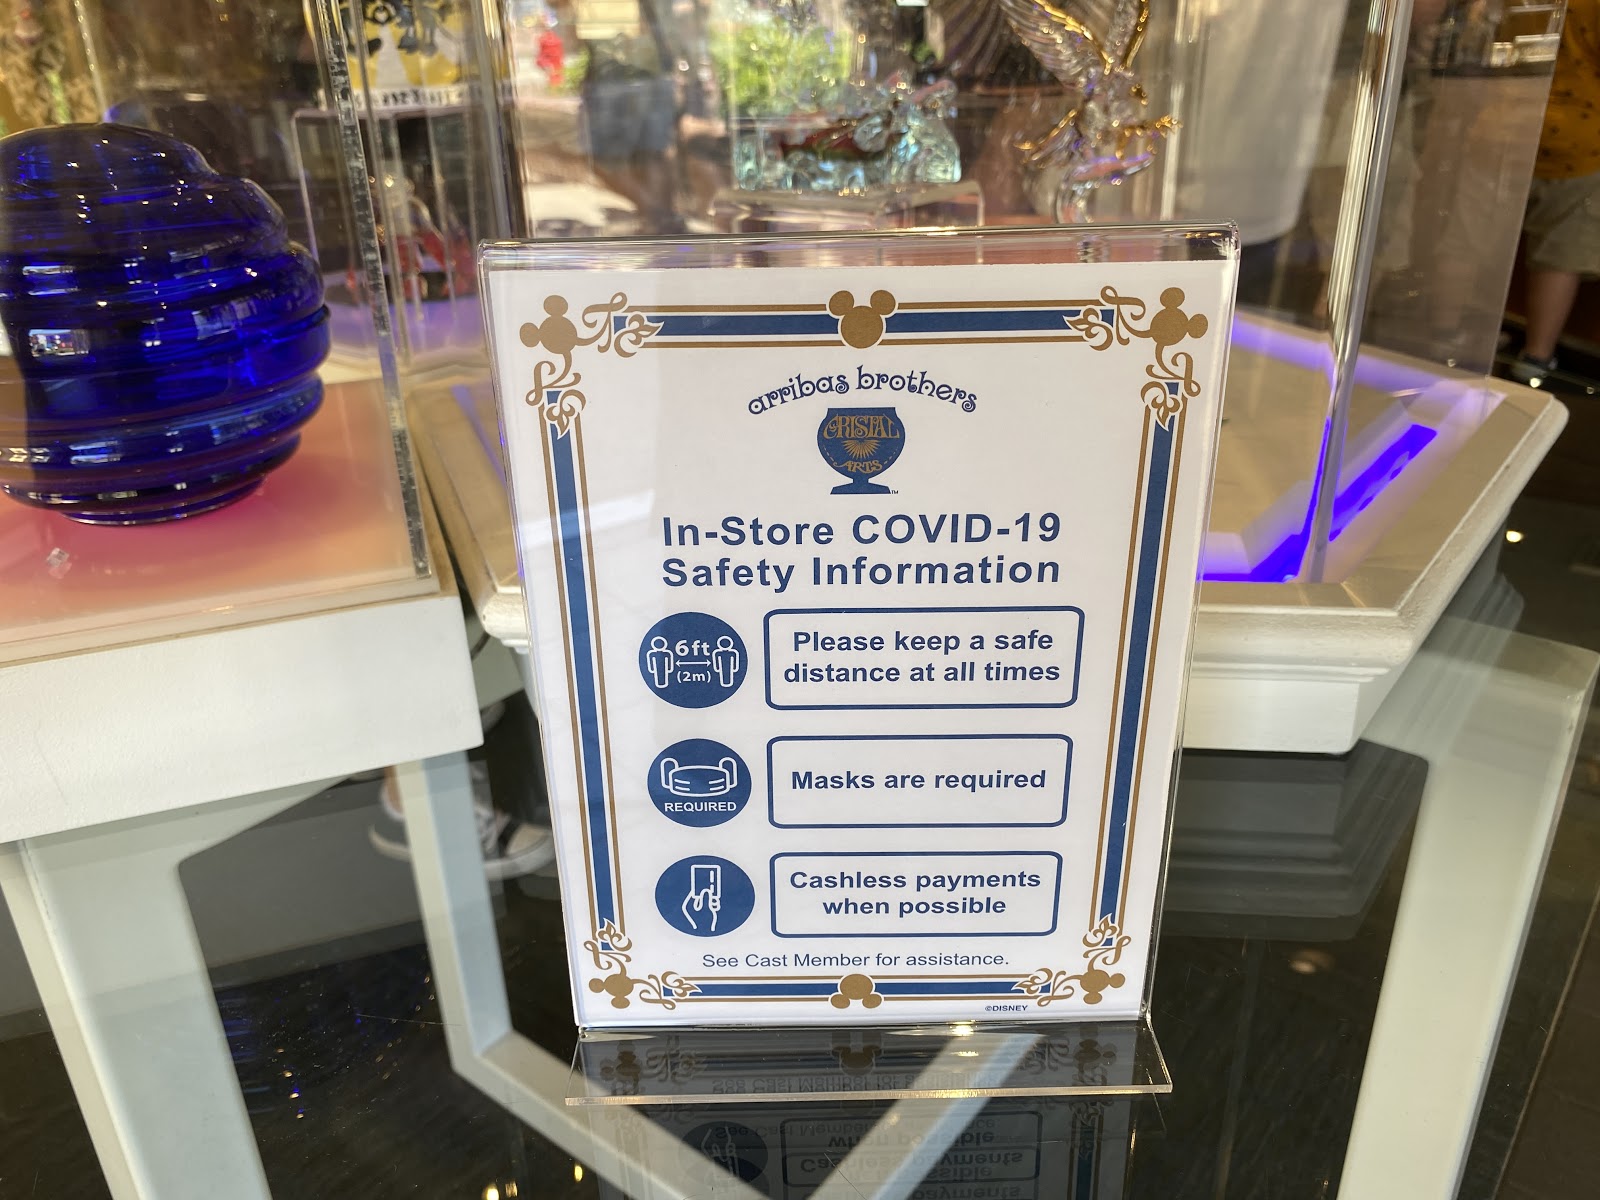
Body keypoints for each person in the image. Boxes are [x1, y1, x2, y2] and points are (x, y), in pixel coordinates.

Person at [1514, 0, 1600, 383]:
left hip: (1507, 127)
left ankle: (1451, 337)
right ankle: (1535, 357)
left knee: (1473, 242)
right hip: (1580, 143)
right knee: (1558, 255)